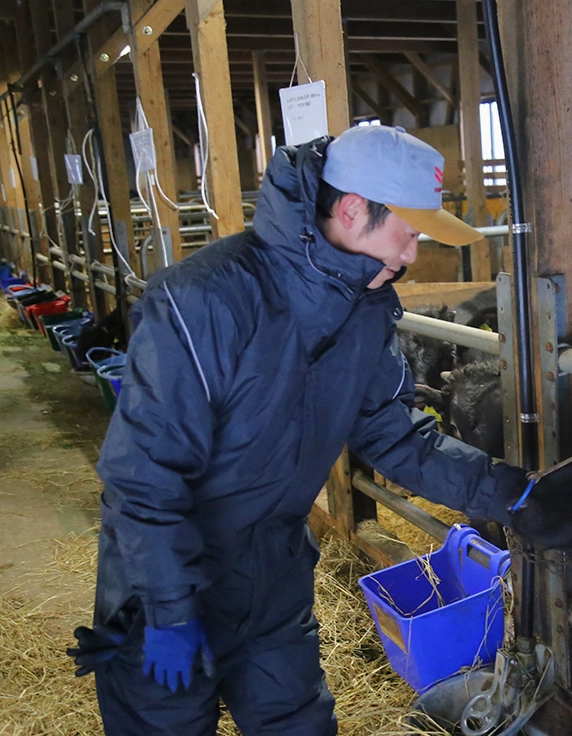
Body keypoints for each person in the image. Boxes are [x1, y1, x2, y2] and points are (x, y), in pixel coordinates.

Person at [67, 125, 529, 735]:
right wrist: (170, 613)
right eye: (409, 232)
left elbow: (397, 438)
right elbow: (144, 479)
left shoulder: (363, 311)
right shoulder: (201, 300)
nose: (413, 253)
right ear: (352, 209)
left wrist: (510, 492)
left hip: (272, 585)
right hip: (165, 590)